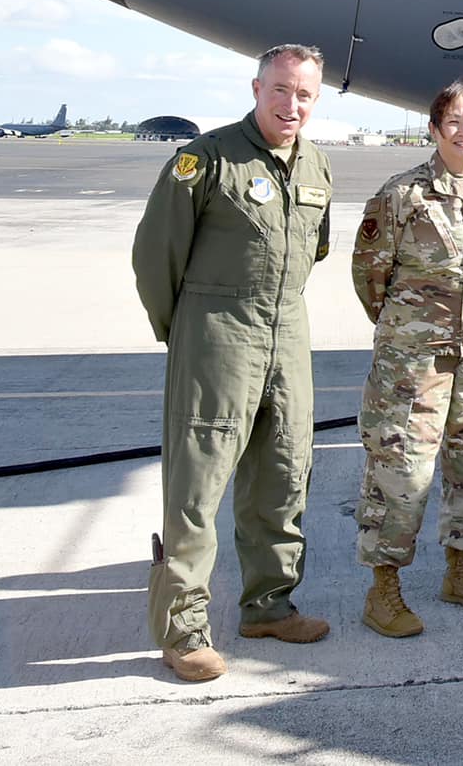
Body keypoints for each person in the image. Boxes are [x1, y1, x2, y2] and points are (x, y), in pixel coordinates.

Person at [131, 44, 335, 683]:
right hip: (218, 332)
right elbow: (154, 258)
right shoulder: (206, 159)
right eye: (280, 89)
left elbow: (316, 248)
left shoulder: (318, 167)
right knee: (197, 487)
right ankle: (184, 630)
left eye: (303, 93)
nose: (291, 103)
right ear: (256, 87)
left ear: (316, 98)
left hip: (288, 332)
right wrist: (187, 333)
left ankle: (269, 605)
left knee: (284, 471)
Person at [350, 78, 463, 637]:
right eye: (455, 120)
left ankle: (460, 572)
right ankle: (384, 590)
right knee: (402, 469)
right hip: (413, 364)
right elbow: (369, 276)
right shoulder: (403, 195)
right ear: (435, 128)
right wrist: (409, 331)